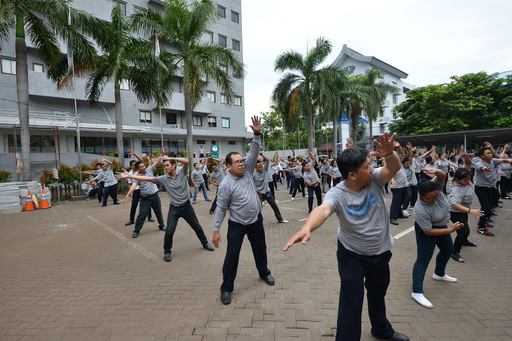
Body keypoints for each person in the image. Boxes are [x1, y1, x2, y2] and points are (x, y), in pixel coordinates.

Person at [284, 132, 410, 341]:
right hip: (351, 255)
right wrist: (307, 227)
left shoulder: (375, 179)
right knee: (352, 300)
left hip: (380, 252)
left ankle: (381, 329)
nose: (372, 169)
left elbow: (393, 168)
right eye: (367, 166)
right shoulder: (338, 193)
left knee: (377, 295)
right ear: (352, 175)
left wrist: (390, 154)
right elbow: (323, 210)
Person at [212, 116, 275, 306]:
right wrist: (216, 230)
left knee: (260, 249)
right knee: (232, 256)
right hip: (237, 225)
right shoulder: (225, 185)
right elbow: (221, 208)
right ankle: (226, 288)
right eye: (237, 162)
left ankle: (264, 272)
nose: (241, 163)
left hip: (256, 221)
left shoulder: (248, 169)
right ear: (228, 166)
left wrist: (256, 134)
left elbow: (254, 151)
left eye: (242, 160)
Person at [120, 156, 214, 262]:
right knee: (169, 231)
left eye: (167, 165)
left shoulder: (182, 172)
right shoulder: (163, 179)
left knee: (197, 227)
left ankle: (205, 242)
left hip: (187, 207)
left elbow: (187, 162)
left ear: (174, 165)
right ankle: (167, 251)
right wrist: (131, 176)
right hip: (174, 209)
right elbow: (147, 178)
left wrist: (170, 157)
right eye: (164, 166)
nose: (165, 167)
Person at [411, 168, 463, 309]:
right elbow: (428, 231)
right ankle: (416, 291)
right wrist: (451, 230)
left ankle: (439, 274)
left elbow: (441, 176)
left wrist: (435, 170)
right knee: (423, 259)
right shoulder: (420, 209)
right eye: (430, 199)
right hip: (428, 231)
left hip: (442, 227)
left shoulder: (434, 188)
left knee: (448, 249)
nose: (434, 200)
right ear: (421, 196)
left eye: (436, 196)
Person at [473, 146, 512, 236]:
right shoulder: (479, 163)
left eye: (490, 153)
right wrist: (484, 168)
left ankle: (483, 221)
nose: (490, 154)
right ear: (482, 156)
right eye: (488, 153)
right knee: (485, 207)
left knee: (495, 199)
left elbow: (503, 160)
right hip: (480, 188)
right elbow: (480, 167)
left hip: (490, 187)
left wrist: (509, 160)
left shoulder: (493, 161)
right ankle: (481, 227)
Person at [122, 159, 166, 238]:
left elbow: (156, 162)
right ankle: (136, 231)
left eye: (144, 165)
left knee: (158, 212)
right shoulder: (136, 176)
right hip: (145, 198)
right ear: (138, 169)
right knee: (141, 215)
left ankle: (162, 225)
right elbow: (133, 186)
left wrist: (161, 155)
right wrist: (128, 194)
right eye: (142, 167)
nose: (144, 167)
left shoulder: (149, 170)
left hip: (155, 196)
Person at [448, 167, 481, 262]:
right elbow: (454, 204)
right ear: (458, 180)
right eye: (465, 180)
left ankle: (464, 241)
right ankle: (454, 252)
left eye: (469, 179)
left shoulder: (466, 183)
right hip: (456, 213)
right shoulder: (456, 190)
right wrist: (470, 210)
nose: (468, 181)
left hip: (463, 211)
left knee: (462, 228)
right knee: (464, 231)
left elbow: (468, 164)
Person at [253, 153, 289, 223]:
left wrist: (262, 155)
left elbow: (267, 160)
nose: (261, 168)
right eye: (259, 167)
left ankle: (280, 219)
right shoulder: (253, 174)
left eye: (261, 166)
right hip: (259, 193)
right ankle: (256, 222)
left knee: (274, 205)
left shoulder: (265, 170)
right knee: (258, 208)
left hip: (267, 193)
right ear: (255, 168)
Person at [124, 151, 153, 226]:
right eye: (133, 165)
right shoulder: (130, 174)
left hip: (143, 190)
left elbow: (141, 160)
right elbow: (130, 184)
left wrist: (134, 154)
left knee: (147, 204)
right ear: (131, 166)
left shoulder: (142, 170)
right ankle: (131, 220)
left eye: (135, 164)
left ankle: (149, 217)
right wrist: (130, 193)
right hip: (136, 190)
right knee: (134, 205)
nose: (135, 166)